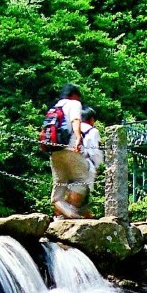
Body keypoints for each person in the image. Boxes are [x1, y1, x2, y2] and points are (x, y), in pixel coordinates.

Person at [48, 84, 90, 219]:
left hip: (54, 150)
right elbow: (76, 120)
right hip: (70, 147)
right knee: (81, 179)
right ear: (74, 95)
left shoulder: (54, 107)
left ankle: (65, 214)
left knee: (60, 183)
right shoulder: (74, 103)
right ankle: (73, 212)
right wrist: (78, 137)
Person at [71, 107, 102, 216]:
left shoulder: (72, 128)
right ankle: (80, 217)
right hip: (85, 165)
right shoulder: (93, 131)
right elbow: (94, 152)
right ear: (92, 119)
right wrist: (97, 165)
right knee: (84, 193)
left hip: (67, 163)